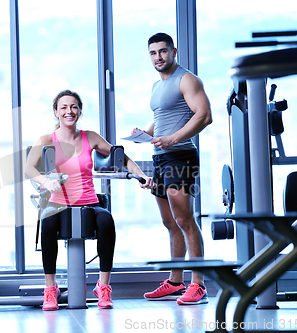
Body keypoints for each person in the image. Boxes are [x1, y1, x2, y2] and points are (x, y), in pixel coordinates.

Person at [25, 89, 153, 311]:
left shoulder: (90, 137)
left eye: (73, 107)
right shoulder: (47, 140)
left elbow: (121, 158)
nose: (69, 111)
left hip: (89, 202)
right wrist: (46, 182)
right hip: (59, 203)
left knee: (106, 221)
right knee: (48, 223)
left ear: (80, 111)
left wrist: (141, 175)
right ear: (56, 112)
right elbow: (28, 168)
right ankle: (50, 289)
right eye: (63, 107)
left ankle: (103, 287)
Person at [135, 33, 212, 305]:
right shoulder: (158, 86)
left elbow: (204, 115)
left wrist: (173, 139)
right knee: (170, 223)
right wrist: (145, 132)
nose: (158, 57)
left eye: (163, 51)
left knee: (185, 220)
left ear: (174, 51)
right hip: (160, 158)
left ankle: (199, 285)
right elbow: (163, 118)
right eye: (153, 52)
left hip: (180, 156)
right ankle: (175, 281)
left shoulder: (187, 79)